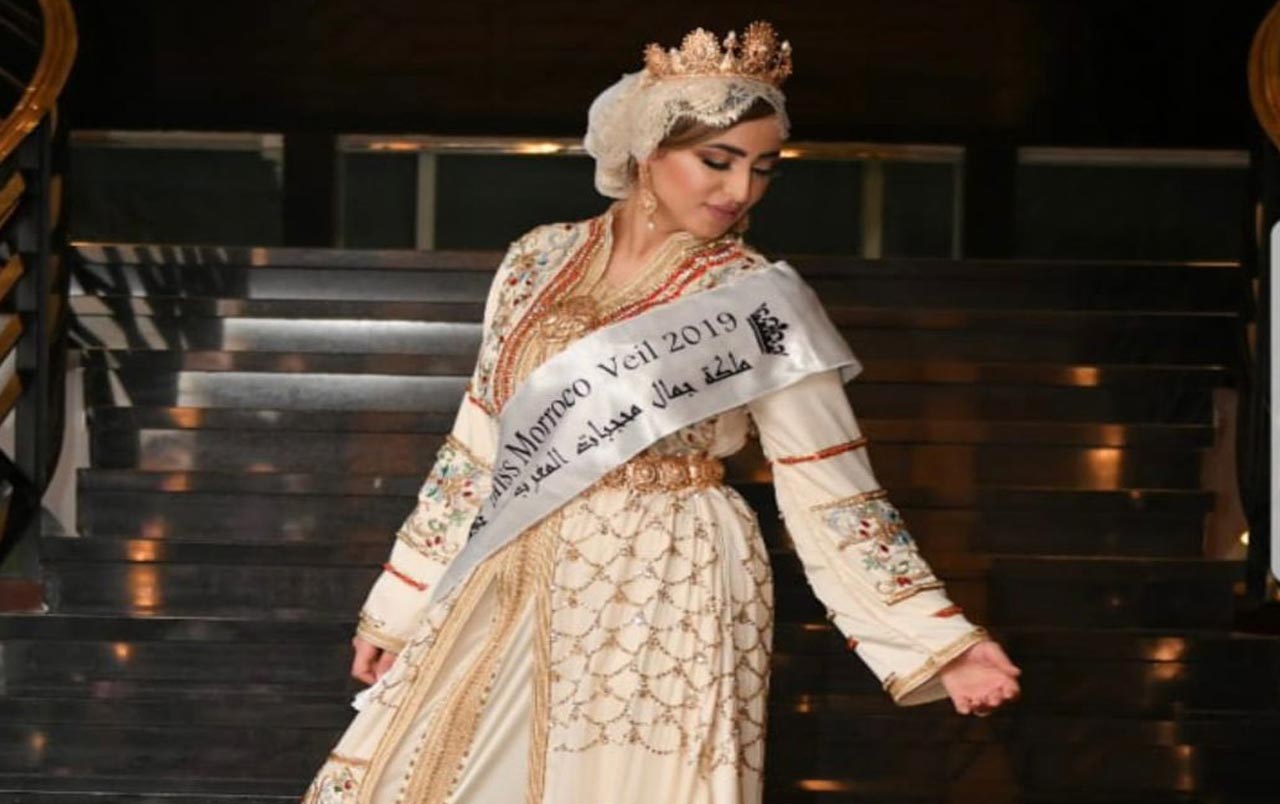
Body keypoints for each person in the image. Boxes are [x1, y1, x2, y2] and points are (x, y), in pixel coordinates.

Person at [301, 21, 1021, 804]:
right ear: (648, 150)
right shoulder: (537, 257)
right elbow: (479, 442)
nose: (740, 190)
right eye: (717, 160)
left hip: (669, 571)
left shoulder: (754, 298)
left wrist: (939, 641)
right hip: (517, 552)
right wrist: (400, 606)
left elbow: (829, 482)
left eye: (763, 169)